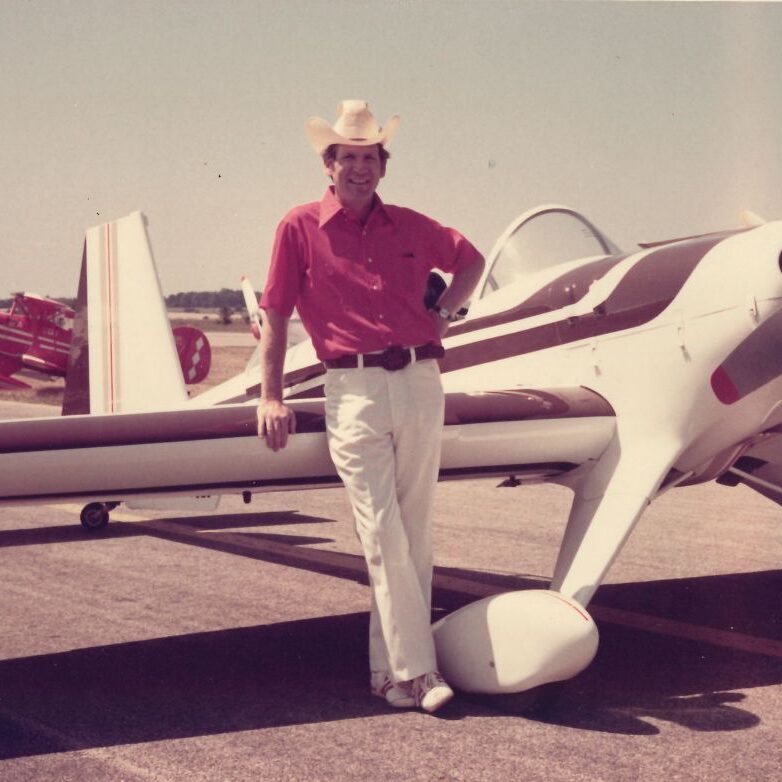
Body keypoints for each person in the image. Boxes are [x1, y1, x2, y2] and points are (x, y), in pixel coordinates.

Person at [256, 100, 485, 713]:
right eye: (347, 158)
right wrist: (272, 396)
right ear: (328, 165)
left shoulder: (410, 226)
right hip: (352, 388)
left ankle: (387, 674)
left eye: (369, 158)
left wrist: (444, 313)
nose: (359, 168)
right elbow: (275, 313)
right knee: (382, 532)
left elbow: (471, 261)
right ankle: (421, 673)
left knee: (414, 531)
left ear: (383, 165)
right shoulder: (298, 227)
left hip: (419, 381)